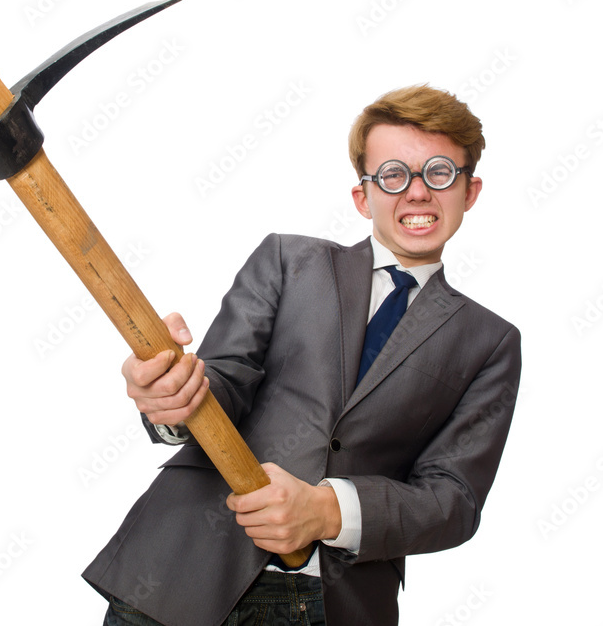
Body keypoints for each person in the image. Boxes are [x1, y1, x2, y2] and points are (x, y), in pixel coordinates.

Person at [83, 84, 522, 625]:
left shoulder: (491, 341)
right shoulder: (289, 261)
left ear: (469, 190)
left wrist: (328, 511)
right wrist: (174, 394)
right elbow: (226, 379)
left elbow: (452, 501)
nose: (416, 193)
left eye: (439, 173)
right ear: (362, 196)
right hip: (180, 573)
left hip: (334, 605)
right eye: (392, 175)